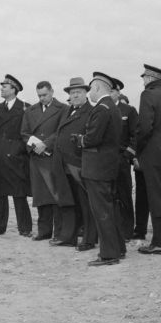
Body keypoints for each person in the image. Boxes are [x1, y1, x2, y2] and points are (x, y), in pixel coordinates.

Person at [72, 72, 125, 266]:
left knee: (102, 211)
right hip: (108, 166)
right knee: (110, 209)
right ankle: (118, 247)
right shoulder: (111, 107)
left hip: (97, 168)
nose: (89, 93)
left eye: (90, 88)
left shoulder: (102, 108)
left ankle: (109, 254)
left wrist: (79, 139)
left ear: (97, 88)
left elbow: (93, 138)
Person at [21, 81, 71, 242]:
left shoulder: (63, 109)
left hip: (53, 157)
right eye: (39, 95)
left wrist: (46, 144)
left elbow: (61, 131)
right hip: (36, 158)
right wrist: (35, 146)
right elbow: (24, 133)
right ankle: (44, 231)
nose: (42, 98)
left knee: (56, 196)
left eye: (45, 95)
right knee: (41, 196)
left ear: (52, 92)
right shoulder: (30, 111)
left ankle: (59, 232)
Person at [54, 76, 97, 251]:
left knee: (86, 204)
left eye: (78, 92)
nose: (75, 95)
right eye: (72, 93)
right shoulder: (66, 111)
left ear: (86, 93)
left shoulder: (91, 112)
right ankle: (68, 237)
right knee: (68, 202)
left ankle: (89, 239)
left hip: (79, 165)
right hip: (63, 165)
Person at [136, 64, 161, 254]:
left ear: (150, 78)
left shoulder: (147, 95)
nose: (143, 81)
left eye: (144, 77)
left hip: (151, 153)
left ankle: (160, 242)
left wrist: (138, 149)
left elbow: (144, 127)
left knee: (156, 197)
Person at [0, 74, 32, 237]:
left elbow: (28, 133)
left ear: (14, 89)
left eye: (4, 86)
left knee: (19, 193)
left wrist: (17, 149)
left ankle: (25, 228)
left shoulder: (26, 108)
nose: (1, 89)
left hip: (16, 157)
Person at [110, 77, 138, 241]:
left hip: (121, 159)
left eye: (113, 91)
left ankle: (127, 231)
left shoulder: (128, 110)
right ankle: (113, 229)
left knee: (124, 195)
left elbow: (136, 135)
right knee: (110, 195)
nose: (111, 93)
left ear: (119, 92)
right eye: (109, 90)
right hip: (105, 160)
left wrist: (128, 154)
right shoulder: (102, 109)